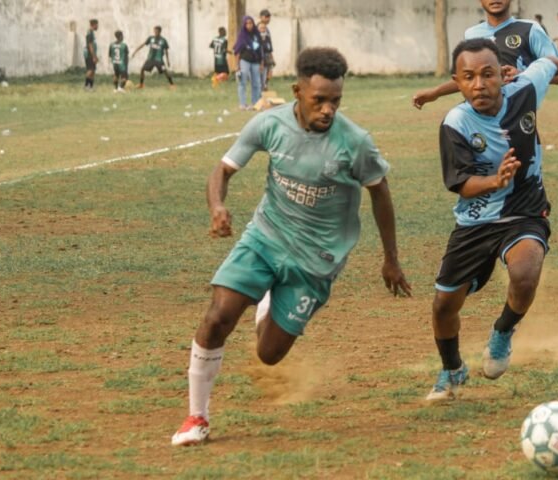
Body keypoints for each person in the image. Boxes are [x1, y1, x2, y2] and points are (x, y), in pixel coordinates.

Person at [171, 47, 412, 446]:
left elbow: (380, 193)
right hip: (266, 236)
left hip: (316, 259)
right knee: (217, 318)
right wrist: (217, 206)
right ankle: (197, 417)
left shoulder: (355, 143)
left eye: (336, 100)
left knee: (269, 354)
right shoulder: (268, 124)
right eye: (319, 100)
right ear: (297, 91)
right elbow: (224, 170)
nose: (328, 109)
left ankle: (268, 302)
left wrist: (391, 260)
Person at [424, 38, 558, 401]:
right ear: (457, 81)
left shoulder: (525, 89)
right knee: (443, 307)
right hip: (475, 221)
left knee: (525, 273)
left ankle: (503, 332)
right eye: (468, 77)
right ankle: (452, 368)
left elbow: (553, 61)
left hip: (525, 211)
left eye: (488, 74)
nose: (479, 84)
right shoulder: (455, 122)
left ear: (503, 75)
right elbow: (461, 184)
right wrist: (494, 180)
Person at [412, 0, 558, 109]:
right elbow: (467, 78)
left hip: (518, 116)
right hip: (480, 117)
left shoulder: (530, 29)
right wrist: (435, 92)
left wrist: (522, 75)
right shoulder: (472, 34)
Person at [233, 16, 264, 110]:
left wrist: (262, 63)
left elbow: (260, 50)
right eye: (247, 23)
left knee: (256, 83)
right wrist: (237, 65)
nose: (249, 25)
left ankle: (255, 103)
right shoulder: (242, 35)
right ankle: (243, 104)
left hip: (255, 61)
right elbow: (237, 51)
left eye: (251, 23)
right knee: (242, 82)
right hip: (244, 61)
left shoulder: (256, 34)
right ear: (244, 24)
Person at [258, 9, 276, 90]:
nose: (268, 19)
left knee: (269, 73)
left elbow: (269, 44)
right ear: (261, 17)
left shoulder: (267, 29)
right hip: (261, 55)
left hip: (268, 54)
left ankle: (265, 86)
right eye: (266, 17)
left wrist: (272, 57)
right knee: (263, 75)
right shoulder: (257, 28)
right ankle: (262, 89)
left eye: (269, 17)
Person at [83, 19, 98, 91]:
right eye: (97, 25)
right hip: (89, 54)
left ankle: (91, 86)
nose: (97, 26)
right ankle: (86, 86)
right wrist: (94, 56)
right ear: (94, 24)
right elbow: (90, 45)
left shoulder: (92, 32)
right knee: (90, 70)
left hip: (92, 54)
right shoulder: (90, 33)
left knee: (93, 70)